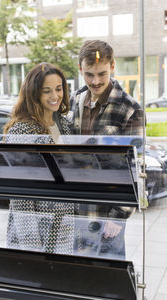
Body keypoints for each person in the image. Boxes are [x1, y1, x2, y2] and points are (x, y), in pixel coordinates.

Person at [69, 40, 144, 259]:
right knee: (75, 274)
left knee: (108, 278)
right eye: (89, 74)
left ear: (112, 66)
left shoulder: (130, 108)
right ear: (80, 69)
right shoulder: (73, 101)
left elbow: (135, 163)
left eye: (102, 74)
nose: (95, 81)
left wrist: (120, 213)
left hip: (106, 212)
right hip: (73, 204)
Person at [3, 62, 75, 254]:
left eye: (59, 89)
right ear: (34, 93)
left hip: (64, 227)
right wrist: (31, 245)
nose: (55, 96)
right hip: (34, 231)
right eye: (47, 91)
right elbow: (20, 193)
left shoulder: (65, 125)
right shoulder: (21, 130)